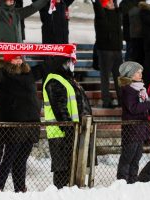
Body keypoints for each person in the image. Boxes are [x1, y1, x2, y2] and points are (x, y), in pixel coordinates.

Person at [0, 53, 51, 193]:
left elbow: (46, 66)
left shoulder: (29, 74)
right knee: (6, 158)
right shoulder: (2, 75)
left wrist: (65, 54)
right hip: (11, 125)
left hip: (31, 124)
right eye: (15, 57)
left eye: (20, 57)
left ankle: (20, 189)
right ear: (8, 59)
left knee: (21, 160)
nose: (19, 60)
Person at [116, 61, 150, 184]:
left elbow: (145, 109)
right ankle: (122, 182)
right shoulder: (128, 89)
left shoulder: (141, 89)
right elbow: (133, 108)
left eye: (141, 72)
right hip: (132, 130)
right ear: (130, 74)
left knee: (136, 158)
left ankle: (132, 181)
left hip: (140, 129)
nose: (140, 74)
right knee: (128, 157)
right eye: (137, 72)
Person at [43, 57, 89, 188]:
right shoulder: (54, 80)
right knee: (62, 170)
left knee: (72, 167)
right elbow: (59, 108)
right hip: (61, 133)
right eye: (70, 62)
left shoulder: (68, 79)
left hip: (72, 130)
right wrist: (68, 129)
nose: (73, 64)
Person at [91, 0, 123, 108]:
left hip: (117, 50)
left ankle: (122, 100)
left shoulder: (117, 14)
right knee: (105, 78)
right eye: (110, 3)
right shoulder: (101, 15)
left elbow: (116, 4)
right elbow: (98, 6)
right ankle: (106, 102)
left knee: (120, 78)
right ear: (104, 5)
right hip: (105, 51)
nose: (113, 4)